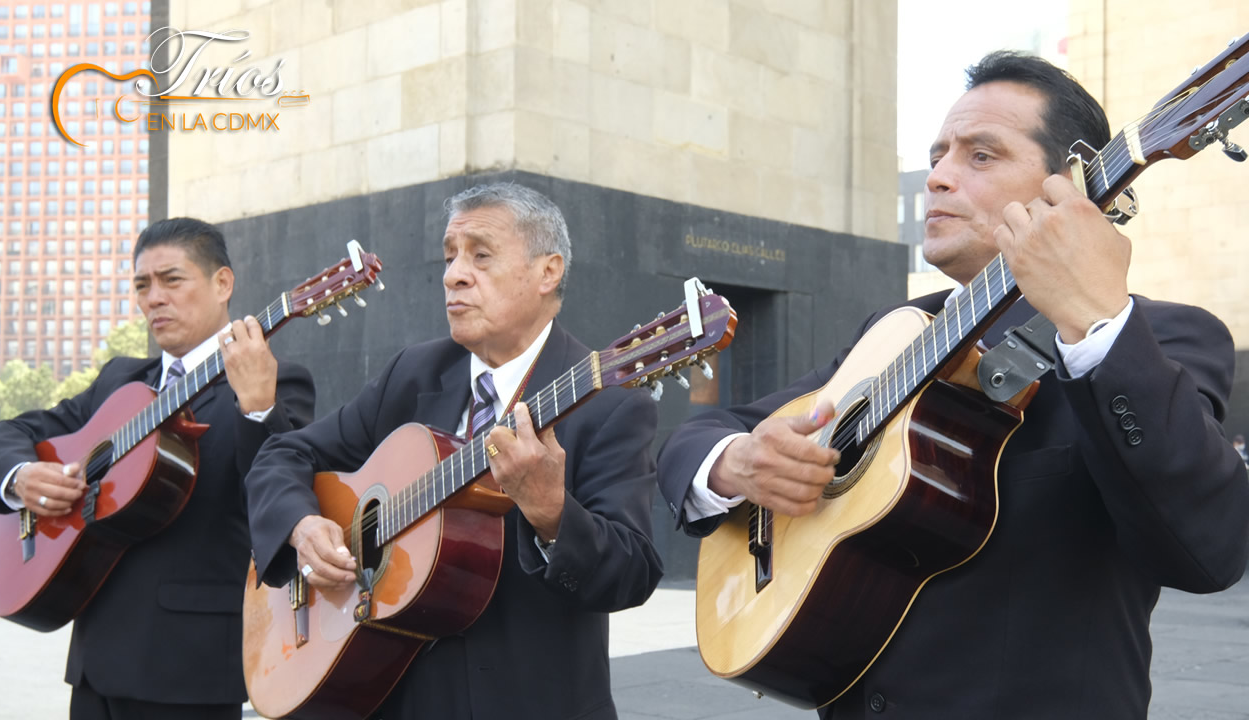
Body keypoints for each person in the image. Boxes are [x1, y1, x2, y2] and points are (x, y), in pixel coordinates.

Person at [658, 51, 1249, 719]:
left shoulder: (1160, 338)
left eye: (981, 156)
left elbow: (1210, 549)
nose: (937, 177)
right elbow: (702, 435)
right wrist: (737, 464)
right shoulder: (901, 330)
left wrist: (1095, 322)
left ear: (1069, 181)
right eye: (937, 155)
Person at [244, 182, 663, 720]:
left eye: (481, 256)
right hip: (387, 694)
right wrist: (301, 526)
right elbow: (283, 456)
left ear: (548, 272)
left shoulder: (610, 404)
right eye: (449, 257)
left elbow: (633, 573)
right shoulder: (413, 373)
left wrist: (552, 514)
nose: (453, 274)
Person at [0, 217, 315, 720]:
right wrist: (19, 477)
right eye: (142, 285)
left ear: (223, 283)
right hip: (95, 661)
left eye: (172, 280)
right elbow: (3, 435)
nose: (154, 298)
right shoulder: (120, 379)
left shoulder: (277, 381)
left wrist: (259, 406)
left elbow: (276, 495)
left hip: (189, 667)